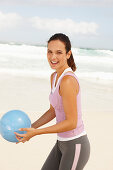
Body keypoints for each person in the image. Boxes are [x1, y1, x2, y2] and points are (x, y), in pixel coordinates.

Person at [15, 33, 90, 170]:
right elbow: (53, 110)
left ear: (68, 54)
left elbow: (71, 122)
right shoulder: (54, 77)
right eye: (49, 52)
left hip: (75, 144)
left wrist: (36, 133)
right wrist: (31, 127)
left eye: (59, 52)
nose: (53, 57)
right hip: (61, 144)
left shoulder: (68, 81)